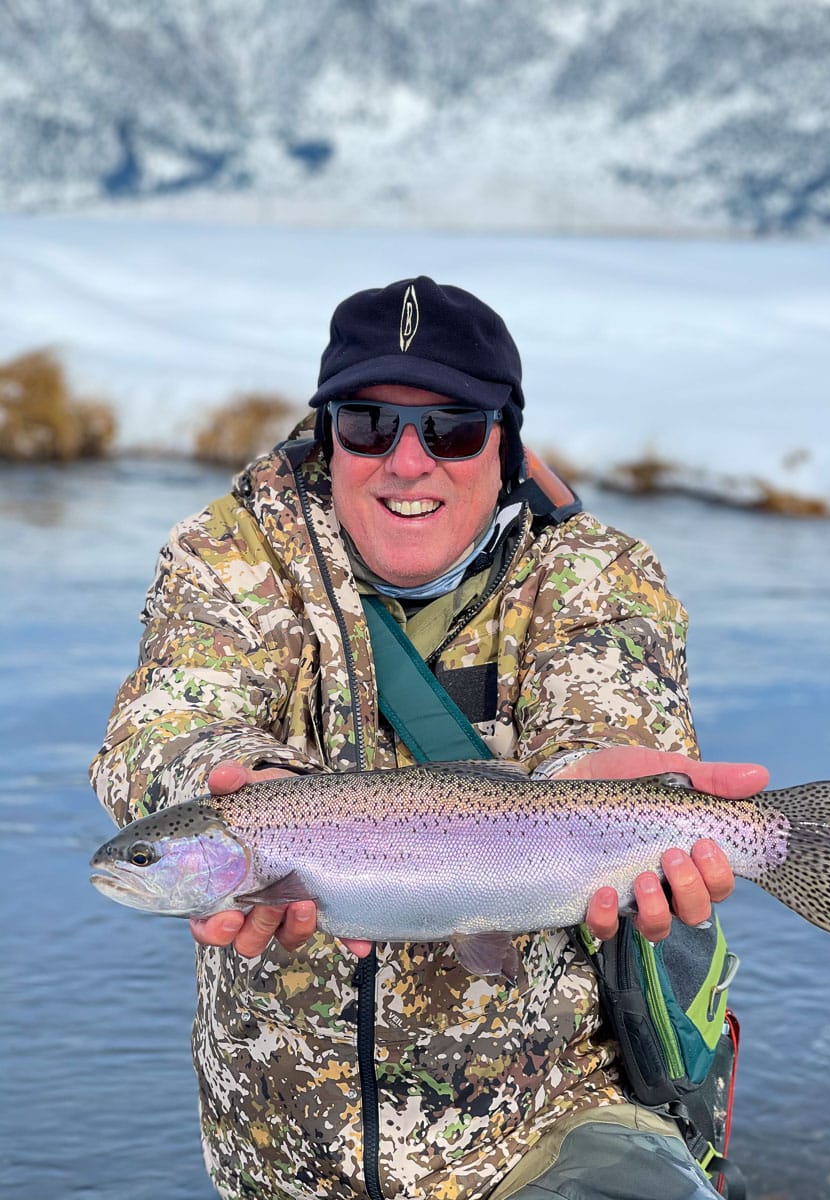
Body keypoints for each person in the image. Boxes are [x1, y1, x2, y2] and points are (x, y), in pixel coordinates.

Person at [91, 276, 767, 1200]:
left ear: (506, 443)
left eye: (451, 428)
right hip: (285, 1156)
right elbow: (159, 723)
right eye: (370, 424)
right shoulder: (231, 556)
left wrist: (604, 778)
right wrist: (223, 778)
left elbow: (614, 715)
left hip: (552, 1119)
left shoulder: (593, 575)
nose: (409, 462)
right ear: (329, 436)